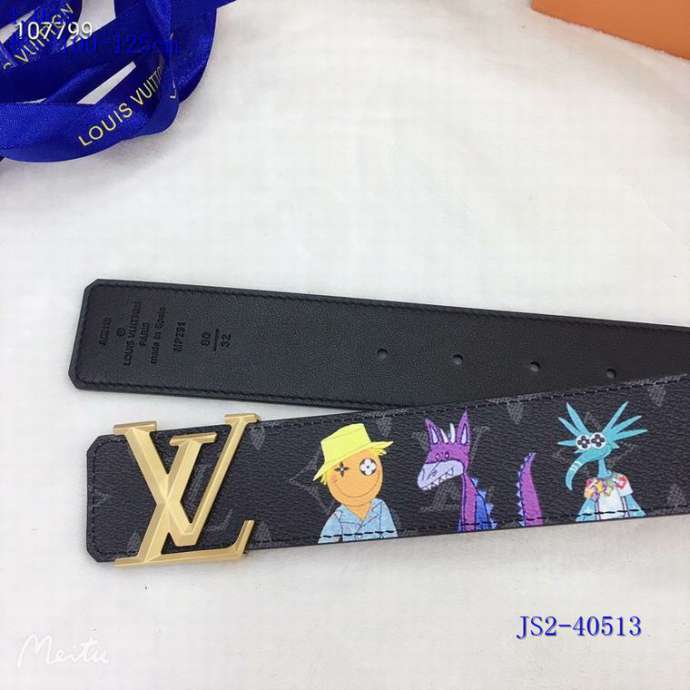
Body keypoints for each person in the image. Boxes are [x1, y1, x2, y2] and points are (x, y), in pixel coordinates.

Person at [313, 423, 398, 543]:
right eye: (342, 473)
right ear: (331, 479)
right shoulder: (339, 516)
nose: (358, 480)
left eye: (367, 467)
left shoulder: (380, 507)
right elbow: (325, 540)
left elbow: (391, 535)